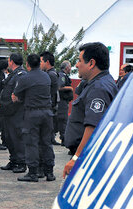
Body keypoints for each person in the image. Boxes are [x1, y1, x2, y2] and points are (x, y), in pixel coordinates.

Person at [63, 42, 118, 178]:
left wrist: (76, 158)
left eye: (79, 60)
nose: (76, 65)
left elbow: (93, 127)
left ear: (91, 63)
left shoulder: (98, 88)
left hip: (89, 157)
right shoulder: (100, 82)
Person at [13, 53, 55, 182]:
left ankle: (33, 172)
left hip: (32, 113)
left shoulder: (25, 78)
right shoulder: (46, 76)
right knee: (46, 142)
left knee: (31, 142)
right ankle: (49, 172)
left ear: (27, 64)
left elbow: (15, 96)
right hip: (47, 113)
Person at [0, 53, 27, 173]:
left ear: (11, 62)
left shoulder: (21, 74)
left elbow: (19, 94)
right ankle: (13, 160)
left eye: (9, 61)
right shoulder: (13, 74)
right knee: (8, 137)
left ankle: (21, 162)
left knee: (17, 137)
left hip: (16, 111)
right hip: (8, 111)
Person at [40, 51, 60, 146]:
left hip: (48, 107)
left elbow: (50, 92)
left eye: (41, 61)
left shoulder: (50, 75)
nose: (40, 64)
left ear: (47, 62)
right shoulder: (51, 73)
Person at [57, 60, 74, 145]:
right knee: (63, 120)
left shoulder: (64, 75)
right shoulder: (62, 75)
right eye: (70, 67)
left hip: (65, 101)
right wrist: (70, 88)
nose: (71, 68)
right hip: (62, 101)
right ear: (67, 67)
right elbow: (60, 87)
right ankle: (64, 138)